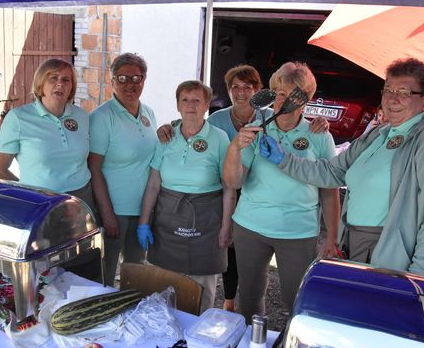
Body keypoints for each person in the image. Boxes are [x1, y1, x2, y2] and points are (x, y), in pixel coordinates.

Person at [156, 64, 329, 313]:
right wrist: (169, 126)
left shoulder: (268, 118)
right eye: (234, 87)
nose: (241, 92)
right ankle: (230, 303)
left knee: (294, 296)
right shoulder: (219, 118)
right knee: (241, 275)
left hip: (275, 213)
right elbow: (193, 123)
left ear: (258, 91)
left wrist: (318, 122)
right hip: (236, 199)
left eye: (247, 87)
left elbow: (328, 183)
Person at [260, 57, 424, 276]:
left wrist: (419, 274)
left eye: (404, 92)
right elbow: (331, 172)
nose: (392, 99)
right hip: (351, 242)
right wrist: (283, 159)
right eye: (388, 90)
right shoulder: (378, 134)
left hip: (388, 251)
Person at [223, 61, 340, 323]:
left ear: (305, 99)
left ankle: (290, 345)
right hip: (250, 226)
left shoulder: (319, 135)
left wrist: (332, 236)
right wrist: (235, 148)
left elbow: (329, 189)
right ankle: (253, 343)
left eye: (291, 94)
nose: (282, 100)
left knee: (296, 299)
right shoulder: (258, 129)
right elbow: (234, 181)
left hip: (297, 231)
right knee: (250, 297)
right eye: (278, 93)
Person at [0, 58, 100, 281]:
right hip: (41, 208)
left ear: (72, 87)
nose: (60, 84)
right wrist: (31, 195)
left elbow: (91, 160)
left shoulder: (82, 117)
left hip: (81, 204)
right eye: (53, 78)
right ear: (41, 83)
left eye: (66, 80)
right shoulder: (19, 118)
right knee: (44, 273)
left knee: (83, 270)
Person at [137, 80, 236, 313]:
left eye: (197, 100)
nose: (191, 105)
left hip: (207, 219)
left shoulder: (219, 138)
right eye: (185, 100)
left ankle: (199, 330)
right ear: (177, 105)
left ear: (206, 105)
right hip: (168, 218)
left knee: (202, 288)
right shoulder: (166, 136)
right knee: (165, 284)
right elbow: (153, 184)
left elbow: (229, 187)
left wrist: (226, 227)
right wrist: (144, 222)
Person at [88, 52, 157, 287]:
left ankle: (131, 307)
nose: (130, 84)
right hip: (114, 212)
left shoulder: (148, 113)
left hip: (143, 210)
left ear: (144, 80)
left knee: (135, 272)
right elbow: (94, 168)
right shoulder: (102, 117)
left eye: (136, 78)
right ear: (112, 81)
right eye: (123, 78)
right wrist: (107, 214)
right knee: (105, 274)